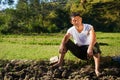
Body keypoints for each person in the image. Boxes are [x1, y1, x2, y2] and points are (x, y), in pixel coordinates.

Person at [51, 12, 101, 77]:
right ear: (72, 22)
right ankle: (60, 63)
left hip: (90, 51)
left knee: (95, 46)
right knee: (66, 42)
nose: (76, 21)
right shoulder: (71, 30)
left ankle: (97, 70)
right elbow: (66, 37)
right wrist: (62, 45)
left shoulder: (89, 27)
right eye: (74, 20)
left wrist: (90, 48)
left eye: (78, 19)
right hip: (79, 51)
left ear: (81, 19)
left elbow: (94, 38)